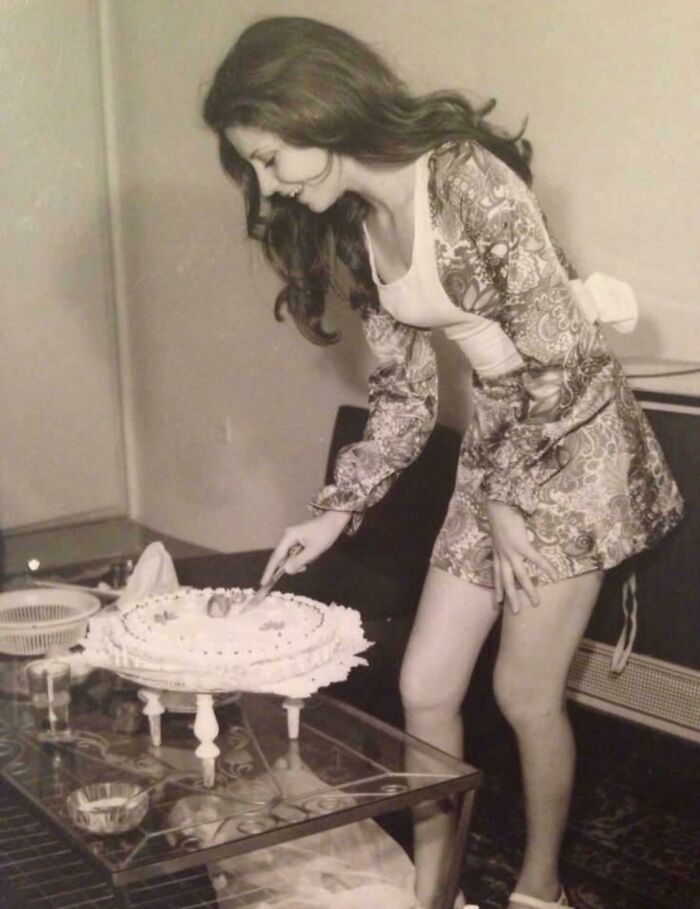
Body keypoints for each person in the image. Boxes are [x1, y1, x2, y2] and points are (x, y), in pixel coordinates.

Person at [203, 16, 683, 909]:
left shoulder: (467, 177)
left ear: (320, 110)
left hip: (575, 441)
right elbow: (407, 396)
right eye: (255, 167)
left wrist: (504, 499)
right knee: (426, 687)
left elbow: (565, 358)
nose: (269, 185)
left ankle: (540, 889)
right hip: (502, 448)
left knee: (523, 692)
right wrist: (338, 508)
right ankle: (437, 890)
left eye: (271, 157)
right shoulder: (356, 224)